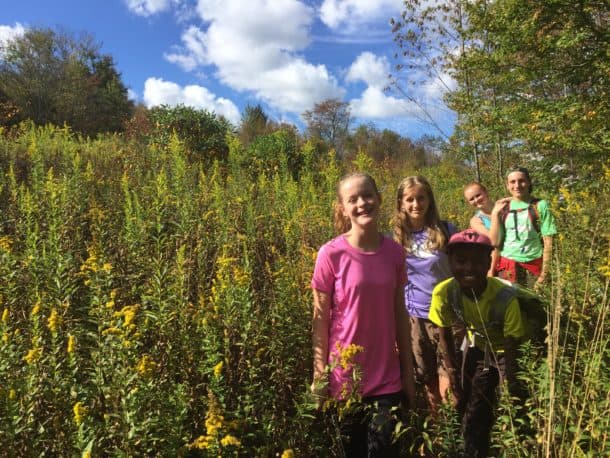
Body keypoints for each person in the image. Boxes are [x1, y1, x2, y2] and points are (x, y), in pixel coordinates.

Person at [311, 172, 416, 457]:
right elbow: (320, 321)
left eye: (367, 195)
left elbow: (400, 316)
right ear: (342, 208)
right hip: (345, 379)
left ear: (379, 199)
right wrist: (320, 378)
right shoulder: (330, 254)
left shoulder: (395, 253)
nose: (362, 203)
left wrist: (408, 374)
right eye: (352, 199)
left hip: (387, 379)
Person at [429, 229, 525, 457]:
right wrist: (452, 374)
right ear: (449, 262)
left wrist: (508, 386)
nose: (469, 268)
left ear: (489, 262)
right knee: (470, 406)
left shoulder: (504, 297)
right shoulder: (444, 292)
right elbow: (444, 336)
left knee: (514, 408)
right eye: (461, 261)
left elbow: (512, 347)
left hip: (508, 352)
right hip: (480, 349)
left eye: (477, 261)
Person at [392, 176, 457, 414]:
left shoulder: (446, 230)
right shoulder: (394, 238)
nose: (416, 204)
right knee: (426, 373)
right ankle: (439, 430)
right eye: (409, 199)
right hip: (414, 316)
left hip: (445, 315)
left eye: (421, 198)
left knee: (449, 371)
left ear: (429, 200)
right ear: (400, 203)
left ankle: (452, 428)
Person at [489, 167, 557, 290]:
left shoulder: (540, 206)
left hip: (533, 266)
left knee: (534, 305)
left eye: (521, 181)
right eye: (512, 182)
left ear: (529, 182)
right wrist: (494, 214)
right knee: (509, 306)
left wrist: (544, 274)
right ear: (507, 185)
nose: (517, 185)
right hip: (507, 266)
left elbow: (548, 241)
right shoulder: (503, 208)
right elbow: (495, 243)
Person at [463, 181, 502, 276]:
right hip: (499, 263)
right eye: (471, 199)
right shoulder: (476, 221)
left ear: (486, 192)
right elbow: (493, 243)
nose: (476, 200)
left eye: (478, 195)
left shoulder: (503, 206)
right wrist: (491, 270)